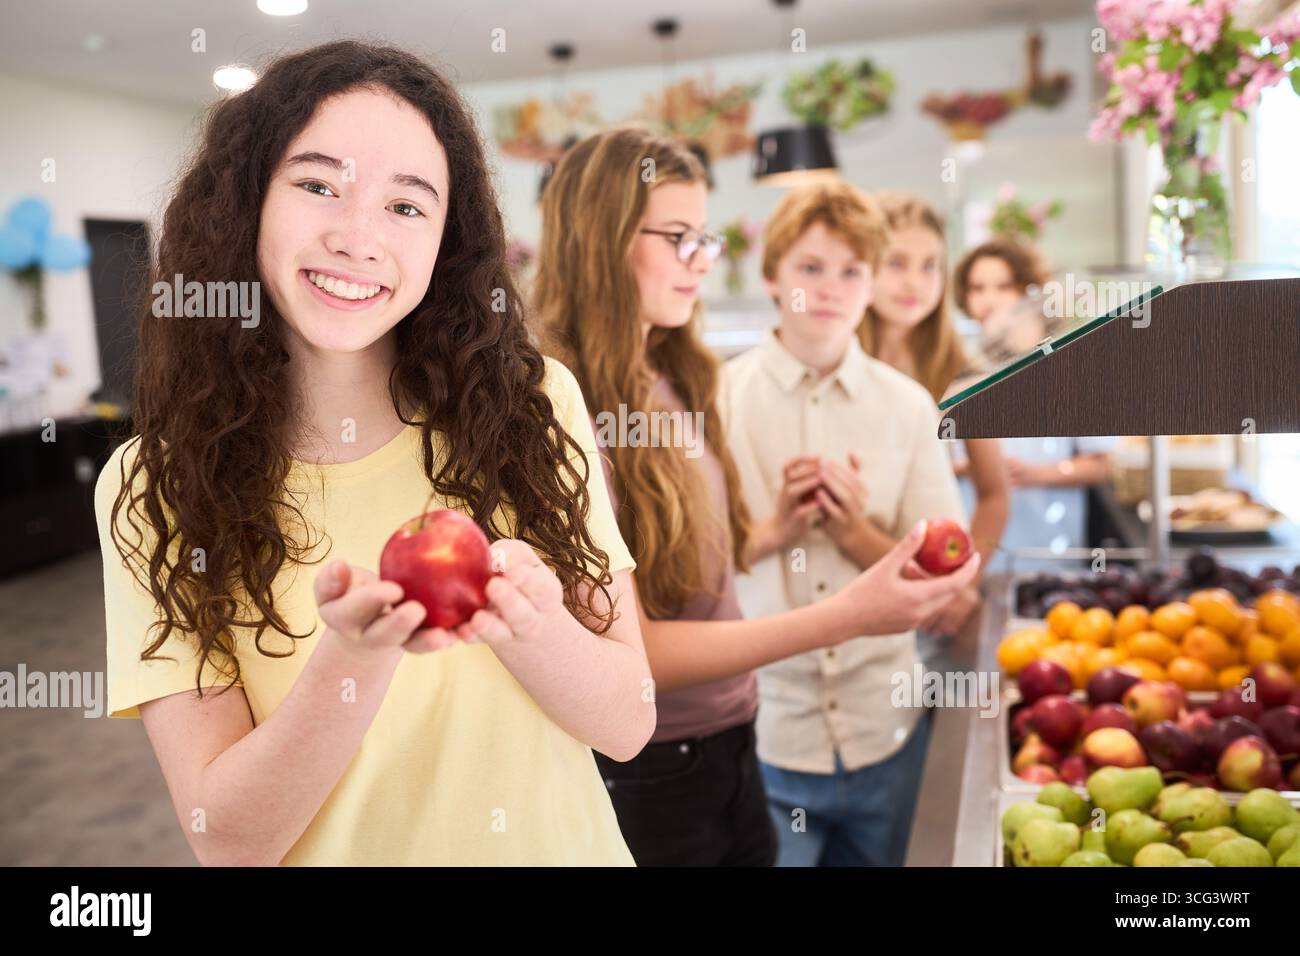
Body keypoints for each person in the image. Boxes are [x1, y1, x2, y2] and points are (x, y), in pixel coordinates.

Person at [95, 41, 656, 866]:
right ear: (245, 204)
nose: (359, 239)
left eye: (406, 205)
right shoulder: (154, 487)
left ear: (446, 239)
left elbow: (629, 722)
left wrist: (533, 629)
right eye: (318, 185)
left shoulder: (533, 407)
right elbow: (229, 842)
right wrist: (356, 654)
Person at [533, 128, 981, 866]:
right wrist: (844, 615)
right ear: (599, 238)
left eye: (703, 237)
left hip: (733, 740)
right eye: (678, 237)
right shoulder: (560, 399)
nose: (701, 260)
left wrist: (809, 530)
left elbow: (697, 568)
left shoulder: (676, 376)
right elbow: (633, 650)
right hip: (655, 765)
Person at [719, 181, 968, 866]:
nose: (829, 289)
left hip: (886, 728)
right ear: (771, 276)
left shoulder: (910, 407)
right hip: (768, 730)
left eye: (852, 271)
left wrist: (856, 530)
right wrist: (774, 528)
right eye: (809, 268)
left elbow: (946, 573)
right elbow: (680, 575)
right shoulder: (715, 401)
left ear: (872, 285)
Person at [859, 191, 1009, 641]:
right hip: (855, 596)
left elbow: (995, 492)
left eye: (930, 266)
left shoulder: (962, 370)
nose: (915, 283)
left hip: (939, 608)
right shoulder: (838, 366)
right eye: (897, 263)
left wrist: (964, 581)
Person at [952, 239, 1113, 569]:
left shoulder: (1070, 367)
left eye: (1003, 286)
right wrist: (978, 468)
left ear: (1031, 292)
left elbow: (1104, 463)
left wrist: (1037, 473)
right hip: (975, 553)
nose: (988, 299)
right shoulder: (955, 366)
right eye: (977, 288)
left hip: (1052, 553)